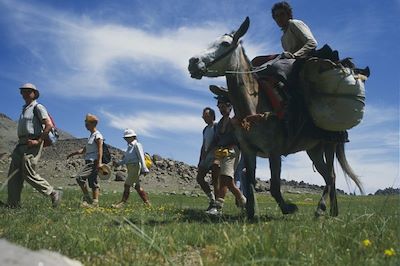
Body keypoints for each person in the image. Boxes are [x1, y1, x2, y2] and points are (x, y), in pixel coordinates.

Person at [245, 1, 318, 136]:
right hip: (292, 63)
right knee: (257, 64)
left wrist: (295, 55)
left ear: (289, 14)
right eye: (276, 16)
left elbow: (312, 43)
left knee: (274, 67)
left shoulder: (295, 24)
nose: (279, 18)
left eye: (282, 14)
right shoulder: (283, 37)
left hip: (304, 62)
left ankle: (285, 110)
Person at [2, 83, 61, 208]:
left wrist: (38, 141)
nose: (25, 93)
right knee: (14, 174)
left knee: (28, 173)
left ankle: (53, 192)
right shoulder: (25, 108)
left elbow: (48, 125)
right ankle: (13, 204)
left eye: (28, 91)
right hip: (21, 144)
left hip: (32, 143)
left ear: (34, 93)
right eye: (23, 91)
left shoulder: (38, 107)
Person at [206, 95, 246, 216]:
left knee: (225, 177)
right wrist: (213, 151)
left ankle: (218, 207)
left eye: (223, 106)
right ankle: (244, 201)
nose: (221, 109)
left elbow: (242, 136)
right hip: (222, 152)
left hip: (233, 151)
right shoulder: (219, 125)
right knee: (229, 182)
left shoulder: (234, 121)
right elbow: (217, 140)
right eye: (219, 107)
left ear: (230, 107)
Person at [67, 113, 104, 208]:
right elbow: (84, 150)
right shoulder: (91, 136)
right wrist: (73, 154)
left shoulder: (98, 135)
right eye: (85, 123)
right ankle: (95, 203)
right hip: (89, 161)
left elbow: (100, 150)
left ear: (92, 124)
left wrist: (99, 163)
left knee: (79, 178)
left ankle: (87, 198)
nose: (85, 125)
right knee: (93, 182)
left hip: (93, 161)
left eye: (87, 123)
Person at [111, 129, 150, 208]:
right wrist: (118, 163)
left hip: (135, 166)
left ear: (133, 137)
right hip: (130, 167)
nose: (126, 139)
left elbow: (141, 157)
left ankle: (122, 203)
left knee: (127, 185)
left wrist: (144, 168)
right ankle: (148, 204)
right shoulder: (129, 147)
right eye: (125, 138)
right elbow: (126, 160)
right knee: (137, 187)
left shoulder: (137, 145)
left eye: (128, 137)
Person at [196, 107, 219, 210]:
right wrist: (201, 158)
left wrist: (208, 151)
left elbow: (217, 140)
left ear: (212, 116)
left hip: (215, 156)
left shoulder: (217, 126)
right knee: (199, 178)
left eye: (206, 116)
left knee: (215, 180)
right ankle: (212, 199)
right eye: (203, 116)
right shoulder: (205, 129)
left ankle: (217, 205)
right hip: (206, 157)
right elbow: (204, 143)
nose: (204, 118)